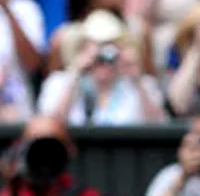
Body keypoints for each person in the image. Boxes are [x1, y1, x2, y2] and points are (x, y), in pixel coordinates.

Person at [36, 11, 167, 126]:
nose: (103, 58)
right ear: (81, 48)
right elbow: (49, 127)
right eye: (96, 46)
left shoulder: (143, 84)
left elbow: (158, 127)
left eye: (110, 45)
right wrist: (75, 74)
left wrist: (137, 80)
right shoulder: (59, 82)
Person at [0, 115, 102, 196]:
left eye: (52, 149)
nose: (44, 156)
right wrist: (12, 189)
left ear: (69, 150)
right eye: (37, 150)